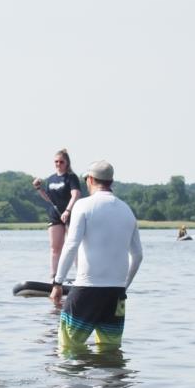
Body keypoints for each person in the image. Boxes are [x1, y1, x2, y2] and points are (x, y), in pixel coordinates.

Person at [49, 161, 143, 353]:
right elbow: (138, 256)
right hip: (116, 294)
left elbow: (71, 245)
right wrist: (123, 286)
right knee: (110, 353)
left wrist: (57, 282)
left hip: (87, 290)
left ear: (90, 180)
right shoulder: (127, 210)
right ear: (111, 181)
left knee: (68, 350)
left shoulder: (83, 206)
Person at [33, 149, 81, 278]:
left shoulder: (71, 177)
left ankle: (80, 276)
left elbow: (76, 194)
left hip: (70, 214)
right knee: (55, 248)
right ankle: (54, 276)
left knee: (73, 246)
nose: (58, 164)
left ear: (66, 163)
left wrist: (68, 210)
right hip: (55, 214)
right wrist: (38, 188)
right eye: (56, 161)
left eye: (61, 162)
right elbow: (49, 198)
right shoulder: (51, 179)